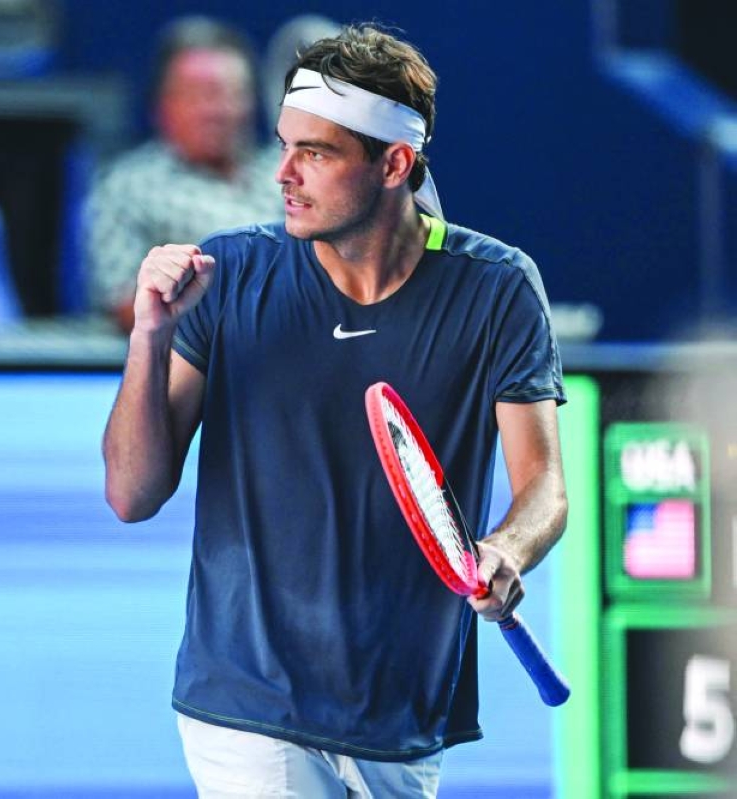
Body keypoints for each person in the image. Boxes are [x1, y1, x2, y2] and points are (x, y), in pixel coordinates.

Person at [102, 23, 568, 798]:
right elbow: (130, 493)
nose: (282, 173)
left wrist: (507, 550)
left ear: (394, 164)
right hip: (248, 700)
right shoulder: (228, 275)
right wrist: (150, 335)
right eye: (283, 145)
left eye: (315, 153)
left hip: (405, 708)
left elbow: (544, 486)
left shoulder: (498, 287)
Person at [85, 16, 283, 333]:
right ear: (162, 106)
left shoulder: (286, 171)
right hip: (206, 351)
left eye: (233, 93)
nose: (218, 111)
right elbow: (124, 302)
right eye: (201, 95)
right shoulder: (128, 187)